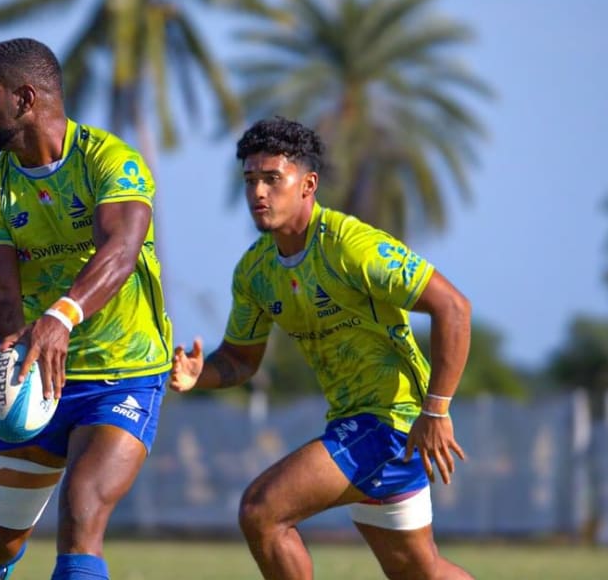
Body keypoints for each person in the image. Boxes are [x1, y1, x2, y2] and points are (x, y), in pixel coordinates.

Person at [170, 116, 474, 580]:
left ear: (308, 184)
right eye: (250, 180)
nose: (258, 193)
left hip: (392, 423)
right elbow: (239, 360)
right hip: (356, 425)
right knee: (422, 572)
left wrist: (436, 411)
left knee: (262, 510)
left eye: (273, 179)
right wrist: (199, 375)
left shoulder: (352, 246)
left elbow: (453, 307)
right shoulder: (254, 271)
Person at [0, 38, 173, 580]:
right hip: (38, 378)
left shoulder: (110, 161)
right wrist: (6, 348)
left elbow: (121, 250)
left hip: (124, 374)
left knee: (82, 510)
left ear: (24, 98)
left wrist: (60, 317)